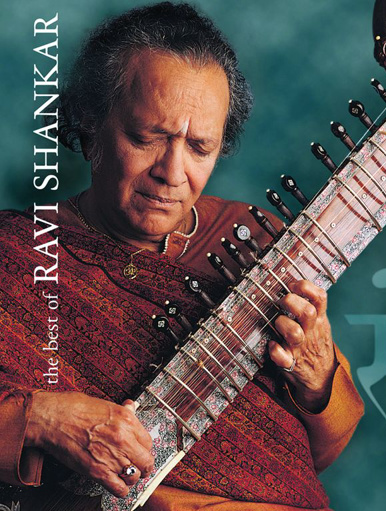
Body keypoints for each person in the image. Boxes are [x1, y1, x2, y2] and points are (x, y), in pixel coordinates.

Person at [0, 3, 364, 510]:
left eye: (199, 148)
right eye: (147, 138)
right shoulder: (16, 254)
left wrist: (318, 377)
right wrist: (41, 418)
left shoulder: (253, 241)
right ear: (90, 121)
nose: (172, 173)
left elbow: (314, 454)